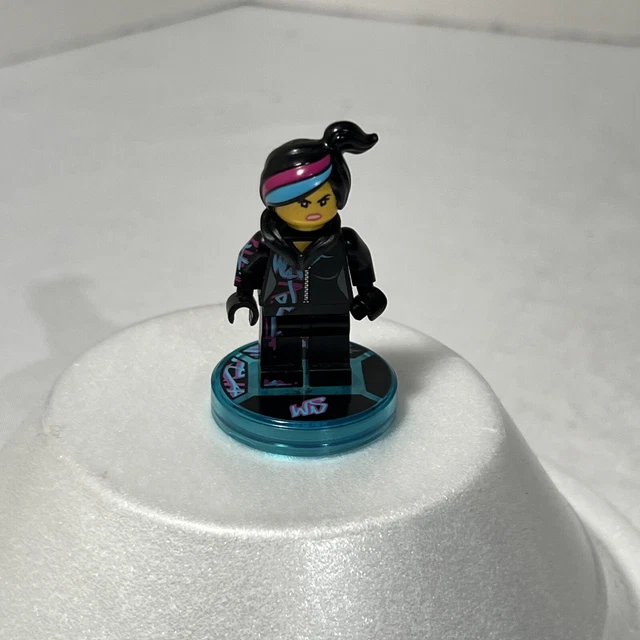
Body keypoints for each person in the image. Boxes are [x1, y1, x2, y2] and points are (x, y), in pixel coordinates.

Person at [227, 121, 387, 388]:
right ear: (275, 202)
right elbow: (248, 266)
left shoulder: (345, 241)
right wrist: (242, 296)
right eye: (302, 202)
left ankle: (331, 381)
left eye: (323, 201)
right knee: (278, 361)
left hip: (332, 307)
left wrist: (368, 293)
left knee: (330, 358)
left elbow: (362, 271)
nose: (313, 209)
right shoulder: (264, 243)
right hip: (279, 309)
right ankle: (278, 382)